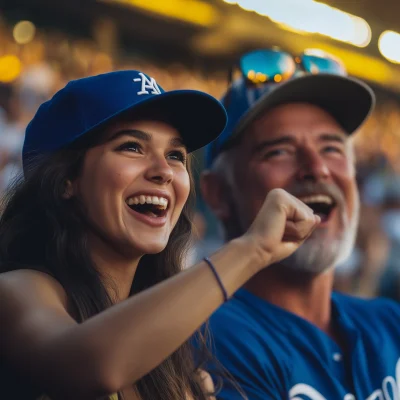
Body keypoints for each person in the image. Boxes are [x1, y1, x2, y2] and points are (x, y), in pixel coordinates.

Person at [0, 70, 319, 400]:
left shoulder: (186, 372)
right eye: (132, 147)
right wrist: (252, 250)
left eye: (175, 155)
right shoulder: (14, 291)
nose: (164, 171)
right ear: (67, 179)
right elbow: (89, 367)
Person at [200, 49, 400, 399]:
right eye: (279, 151)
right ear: (217, 194)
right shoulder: (210, 341)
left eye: (333, 148)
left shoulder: (390, 321)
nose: (317, 168)